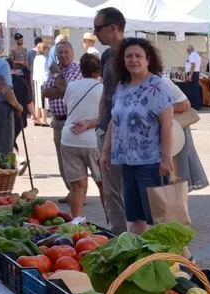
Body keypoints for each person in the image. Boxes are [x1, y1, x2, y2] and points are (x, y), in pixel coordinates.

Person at [100, 38, 174, 235]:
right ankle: (137, 260)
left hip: (151, 163)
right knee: (135, 217)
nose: (133, 60)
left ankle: (186, 261)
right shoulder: (122, 86)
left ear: (148, 59)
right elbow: (114, 120)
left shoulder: (158, 86)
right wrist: (106, 151)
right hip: (127, 162)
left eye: (138, 56)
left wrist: (166, 159)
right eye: (129, 56)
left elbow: (167, 125)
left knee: (160, 219)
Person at [70, 6, 127, 233]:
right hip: (106, 130)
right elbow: (106, 93)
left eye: (97, 28)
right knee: (110, 188)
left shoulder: (131, 52)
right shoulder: (106, 55)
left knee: (127, 188)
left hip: (126, 133)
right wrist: (99, 124)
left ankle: (131, 235)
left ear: (112, 27)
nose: (95, 34)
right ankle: (117, 233)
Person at [61, 53, 104, 218]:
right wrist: (89, 123)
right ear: (98, 70)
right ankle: (112, 222)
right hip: (92, 140)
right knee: (103, 184)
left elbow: (68, 105)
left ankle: (77, 223)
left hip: (69, 138)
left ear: (81, 69)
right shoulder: (102, 88)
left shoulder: (72, 85)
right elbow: (106, 117)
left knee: (77, 186)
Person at [42, 40, 83, 202]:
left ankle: (80, 193)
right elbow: (45, 91)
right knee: (61, 161)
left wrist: (58, 78)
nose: (63, 56)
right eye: (60, 53)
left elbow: (68, 91)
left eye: (66, 52)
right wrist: (59, 87)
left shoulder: (76, 69)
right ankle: (71, 191)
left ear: (72, 53)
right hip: (57, 122)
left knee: (74, 161)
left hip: (72, 122)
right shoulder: (55, 70)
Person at [165, 79, 209, 192]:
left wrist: (163, 110)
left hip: (170, 136)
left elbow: (185, 103)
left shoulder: (161, 81)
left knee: (172, 181)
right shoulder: (125, 84)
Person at [31, 41, 50, 126]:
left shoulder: (36, 58)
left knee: (38, 101)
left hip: (36, 80)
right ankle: (44, 120)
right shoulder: (44, 59)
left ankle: (37, 118)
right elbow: (46, 72)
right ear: (44, 49)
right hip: (43, 81)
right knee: (44, 101)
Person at [185, 45, 202, 109]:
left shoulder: (192, 55)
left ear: (190, 50)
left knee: (192, 90)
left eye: (187, 51)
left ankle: (194, 105)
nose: (187, 52)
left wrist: (190, 75)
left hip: (193, 73)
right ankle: (196, 105)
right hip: (196, 73)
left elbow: (193, 65)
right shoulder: (197, 55)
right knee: (195, 89)